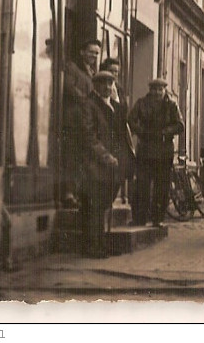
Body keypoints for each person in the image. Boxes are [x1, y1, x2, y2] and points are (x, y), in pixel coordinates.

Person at [76, 71, 129, 258]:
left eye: (110, 83)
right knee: (94, 205)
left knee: (104, 205)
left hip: (112, 166)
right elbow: (88, 136)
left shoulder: (114, 106)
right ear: (95, 85)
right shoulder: (88, 105)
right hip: (94, 164)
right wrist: (105, 156)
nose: (107, 87)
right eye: (103, 84)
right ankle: (92, 246)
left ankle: (102, 243)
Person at [129, 78, 184, 227]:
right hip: (146, 150)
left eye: (160, 89)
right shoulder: (141, 103)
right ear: (150, 90)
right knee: (142, 185)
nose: (157, 93)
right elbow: (131, 120)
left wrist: (166, 132)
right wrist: (142, 132)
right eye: (154, 89)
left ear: (165, 90)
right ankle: (139, 218)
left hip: (164, 150)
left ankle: (157, 218)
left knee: (162, 186)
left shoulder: (172, 105)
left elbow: (180, 125)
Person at [60, 39, 101, 209]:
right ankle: (68, 193)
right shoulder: (72, 68)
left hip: (86, 122)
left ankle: (76, 193)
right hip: (73, 120)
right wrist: (87, 100)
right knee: (72, 157)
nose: (94, 56)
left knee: (82, 159)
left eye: (97, 53)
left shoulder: (93, 72)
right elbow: (68, 87)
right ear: (82, 52)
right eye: (91, 52)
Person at [99, 58, 135, 202]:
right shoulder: (100, 86)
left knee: (120, 172)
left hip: (118, 136)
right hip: (104, 134)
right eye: (111, 70)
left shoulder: (118, 89)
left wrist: (117, 101)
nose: (114, 74)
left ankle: (107, 204)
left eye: (116, 72)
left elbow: (124, 111)